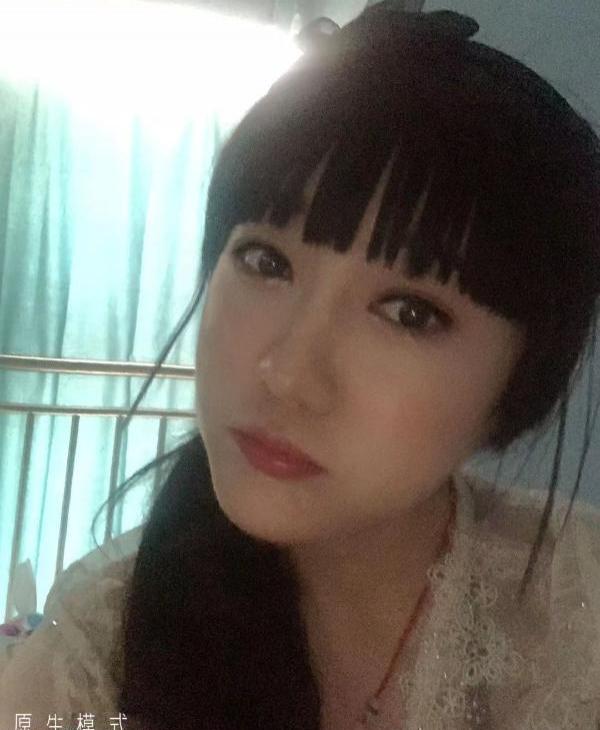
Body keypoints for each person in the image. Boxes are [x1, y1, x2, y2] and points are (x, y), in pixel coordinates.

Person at [2, 4, 600, 729]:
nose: (287, 375)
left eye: (409, 313)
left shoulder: (577, 608)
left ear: (520, 386)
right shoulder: (86, 669)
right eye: (265, 261)